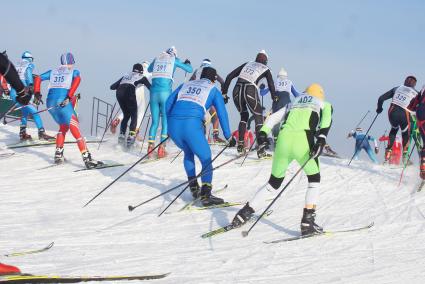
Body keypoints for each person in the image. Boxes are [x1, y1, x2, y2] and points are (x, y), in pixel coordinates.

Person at [231, 83, 333, 236]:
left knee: (273, 183)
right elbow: (326, 122)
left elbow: (272, 119)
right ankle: (308, 222)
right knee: (314, 179)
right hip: (303, 141)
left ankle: (243, 213)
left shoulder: (293, 103)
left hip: (283, 142)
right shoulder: (323, 103)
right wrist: (321, 139)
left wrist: (263, 134)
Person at [166, 67, 235, 206]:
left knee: (188, 152)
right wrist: (228, 136)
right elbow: (222, 114)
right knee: (205, 158)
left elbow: (168, 103)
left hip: (174, 125)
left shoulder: (184, 84)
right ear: (213, 80)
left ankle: (194, 187)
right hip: (191, 125)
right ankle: (206, 195)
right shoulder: (213, 89)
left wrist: (168, 126)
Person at [34, 52, 102, 168]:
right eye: (72, 63)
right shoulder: (73, 71)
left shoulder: (53, 71)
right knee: (75, 128)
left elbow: (38, 78)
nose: (73, 65)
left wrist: (37, 93)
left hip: (50, 103)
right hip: (63, 101)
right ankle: (87, 159)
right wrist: (69, 96)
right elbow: (78, 79)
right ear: (70, 62)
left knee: (63, 126)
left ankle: (58, 154)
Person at [221, 50, 276, 158]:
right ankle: (261, 150)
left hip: (237, 89)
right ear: (265, 61)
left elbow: (229, 76)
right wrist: (274, 97)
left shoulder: (247, 63)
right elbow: (270, 84)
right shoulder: (266, 69)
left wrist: (224, 93)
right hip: (250, 89)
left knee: (244, 116)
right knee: (258, 116)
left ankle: (240, 145)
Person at [147, 46, 193, 158]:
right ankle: (161, 149)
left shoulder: (156, 59)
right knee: (165, 121)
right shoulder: (174, 60)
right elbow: (190, 70)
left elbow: (148, 69)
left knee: (154, 122)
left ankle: (149, 148)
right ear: (174, 54)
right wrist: (187, 63)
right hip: (165, 94)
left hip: (153, 94)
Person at [9, 51, 53, 141]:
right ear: (30, 58)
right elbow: (28, 73)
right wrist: (31, 85)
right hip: (22, 92)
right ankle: (42, 132)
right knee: (34, 112)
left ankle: (22, 133)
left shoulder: (17, 64)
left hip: (13, 93)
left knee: (25, 111)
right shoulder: (29, 64)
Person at [376, 76, 418, 165]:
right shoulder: (416, 93)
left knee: (394, 129)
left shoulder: (397, 88)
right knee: (405, 133)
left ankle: (387, 155)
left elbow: (381, 98)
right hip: (404, 114)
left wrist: (379, 109)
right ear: (414, 84)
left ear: (405, 81)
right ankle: (405, 158)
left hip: (392, 112)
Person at [110, 63, 151, 148]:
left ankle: (121, 136)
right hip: (129, 93)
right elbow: (151, 87)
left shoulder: (126, 75)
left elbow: (112, 87)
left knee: (126, 115)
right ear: (141, 71)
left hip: (119, 94)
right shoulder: (142, 76)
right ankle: (131, 137)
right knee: (134, 115)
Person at [190, 58, 227, 144]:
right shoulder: (211, 71)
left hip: (196, 96)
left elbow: (189, 82)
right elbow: (222, 81)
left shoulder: (197, 71)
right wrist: (223, 93)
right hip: (207, 95)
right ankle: (215, 136)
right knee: (215, 115)